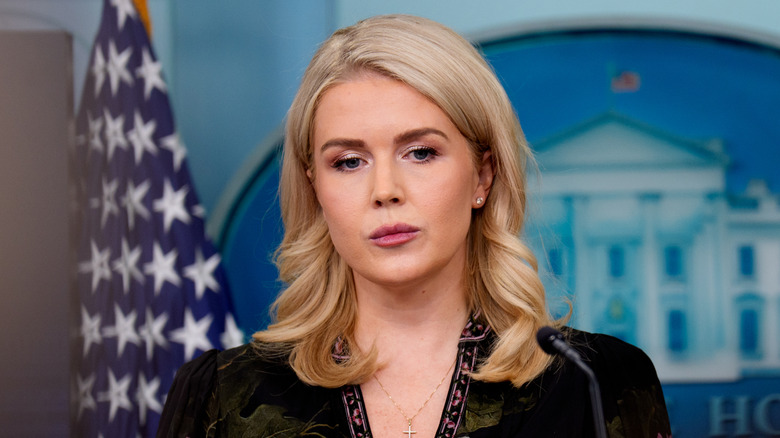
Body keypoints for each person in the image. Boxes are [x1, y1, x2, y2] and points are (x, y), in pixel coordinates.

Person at [158, 14, 671, 438]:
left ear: (483, 176)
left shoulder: (599, 382)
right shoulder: (220, 395)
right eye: (349, 162)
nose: (385, 190)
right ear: (315, 188)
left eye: (420, 152)